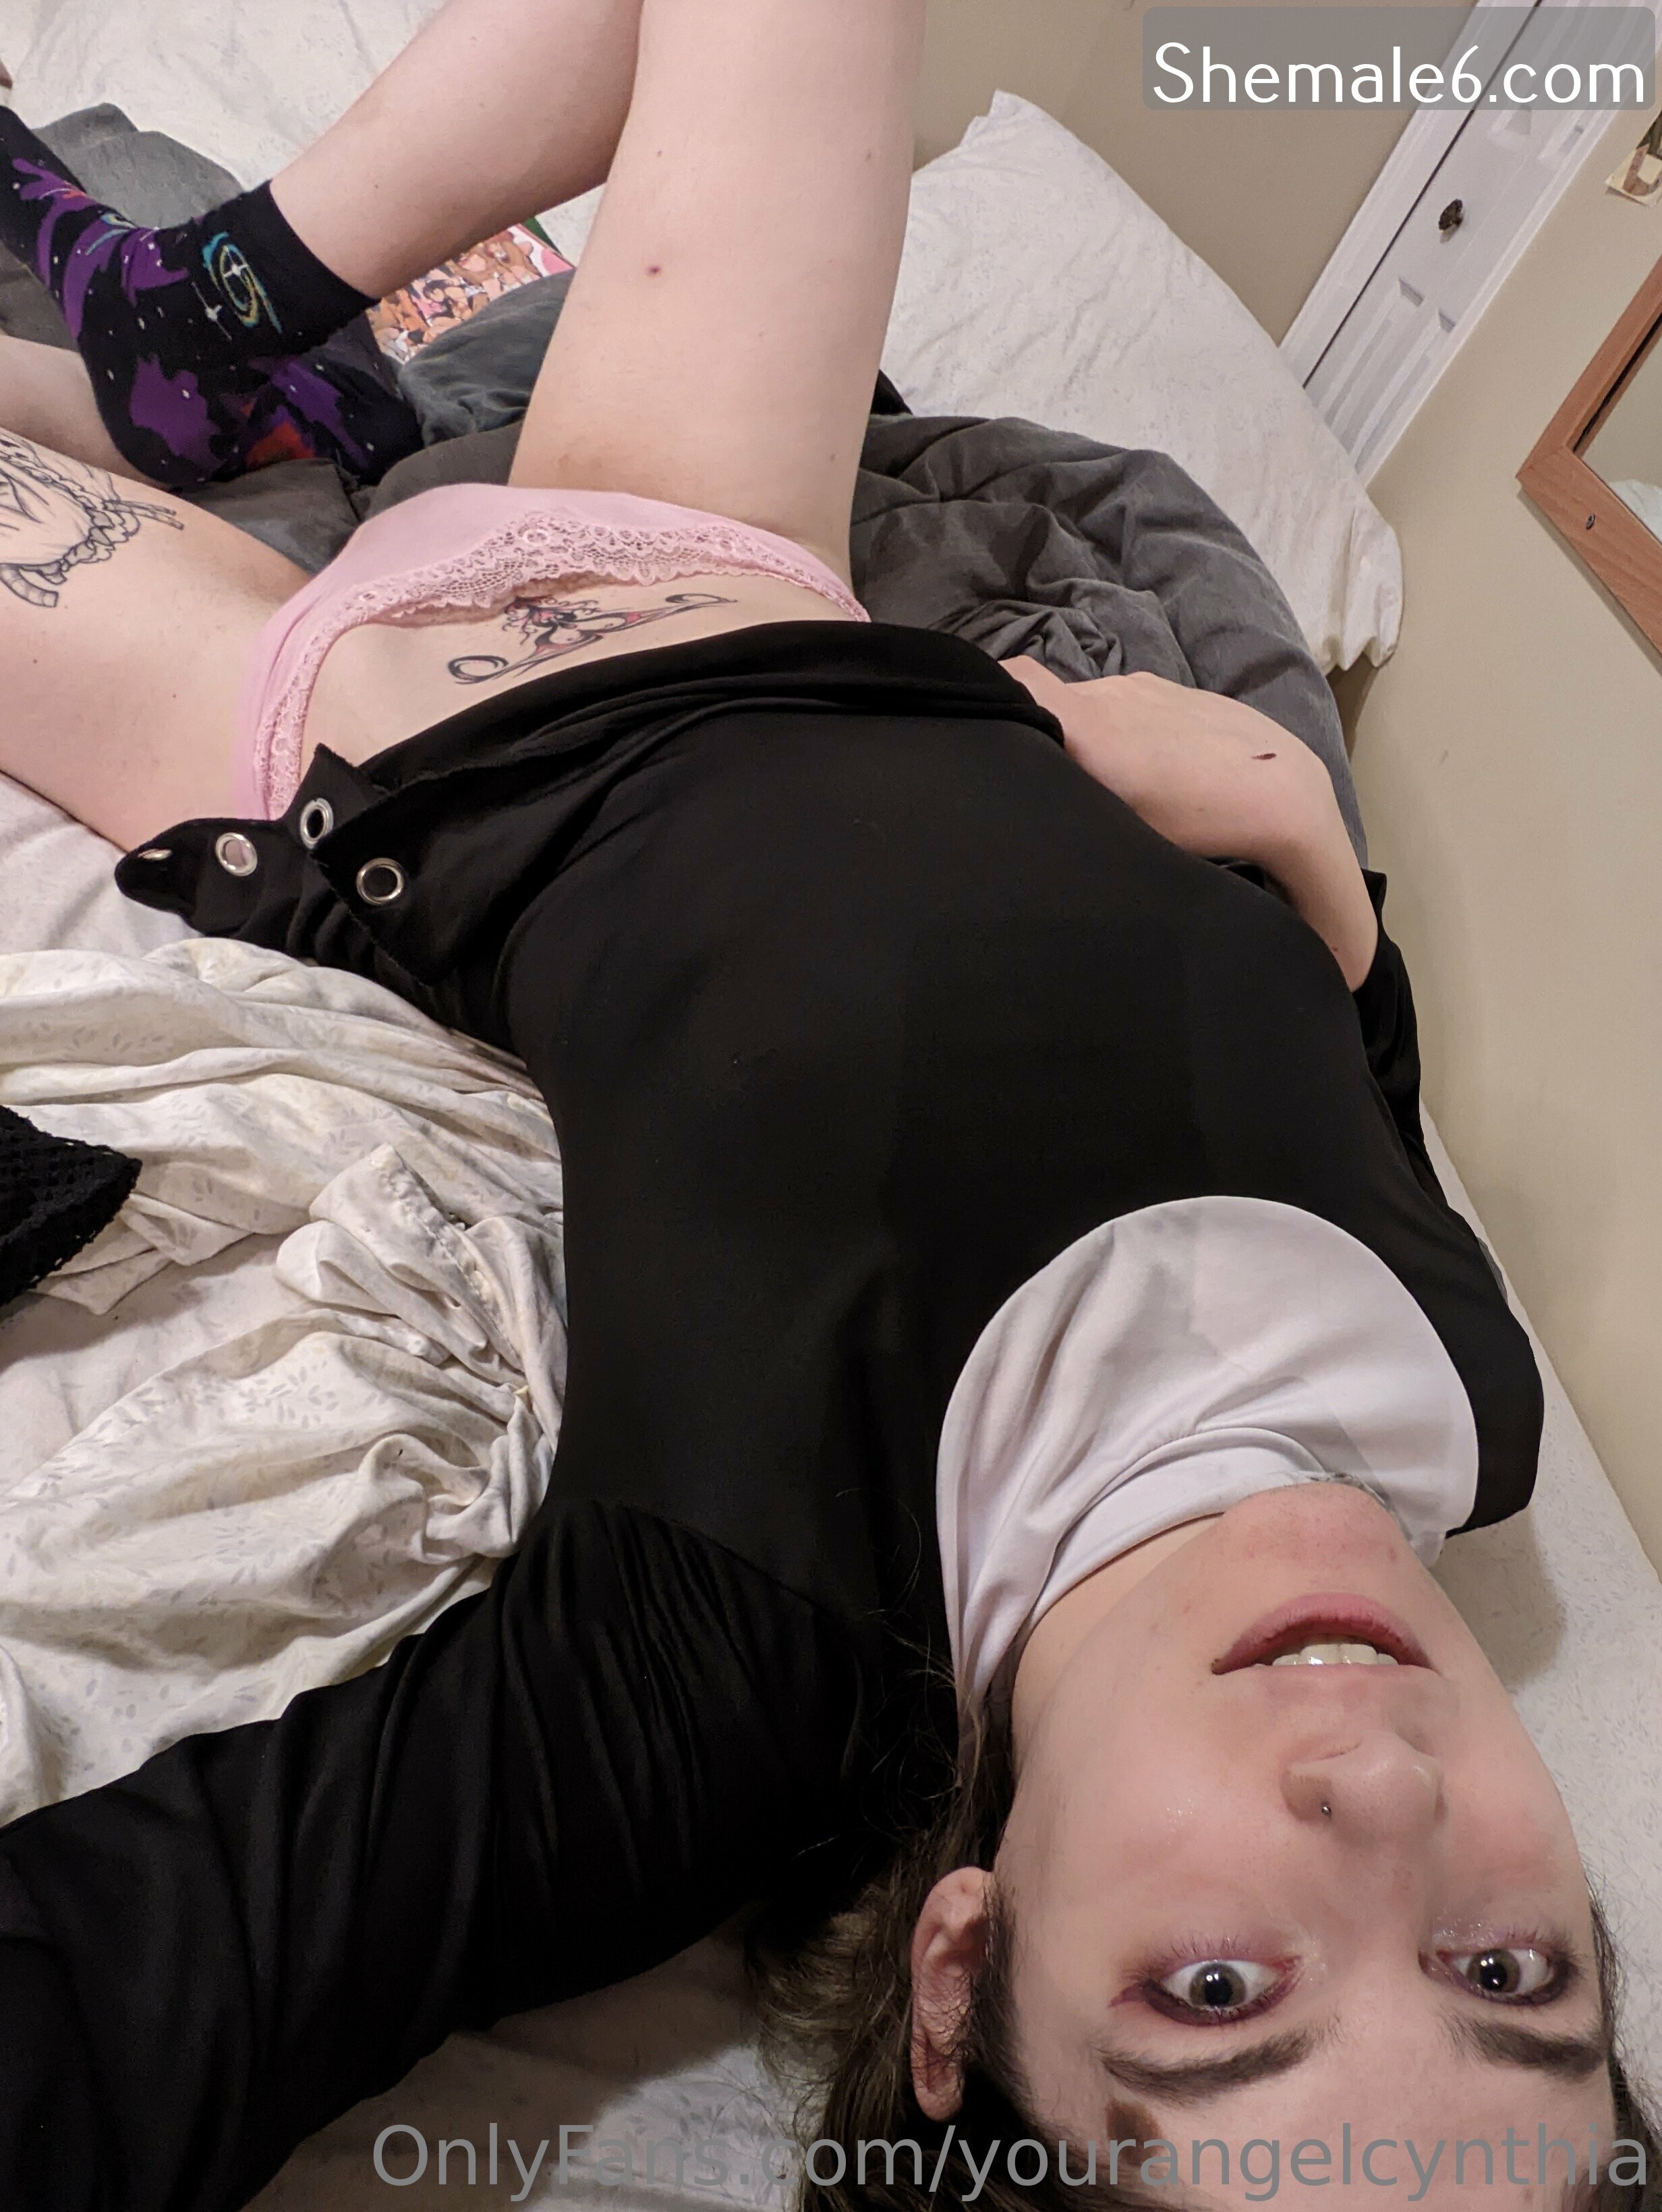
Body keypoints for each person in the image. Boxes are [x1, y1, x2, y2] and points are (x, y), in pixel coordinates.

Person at [0, 3, 1652, 2208]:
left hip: (364, 722)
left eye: (1220, 1992)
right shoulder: (1474, 1404)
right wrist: (1304, 845)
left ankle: (186, 359)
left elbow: (132, 2007)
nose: (1380, 1789)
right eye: (1509, 1968)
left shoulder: (725, 1685)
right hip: (747, 552)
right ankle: (194, 332)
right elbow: (1350, 1082)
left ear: (963, 1977)